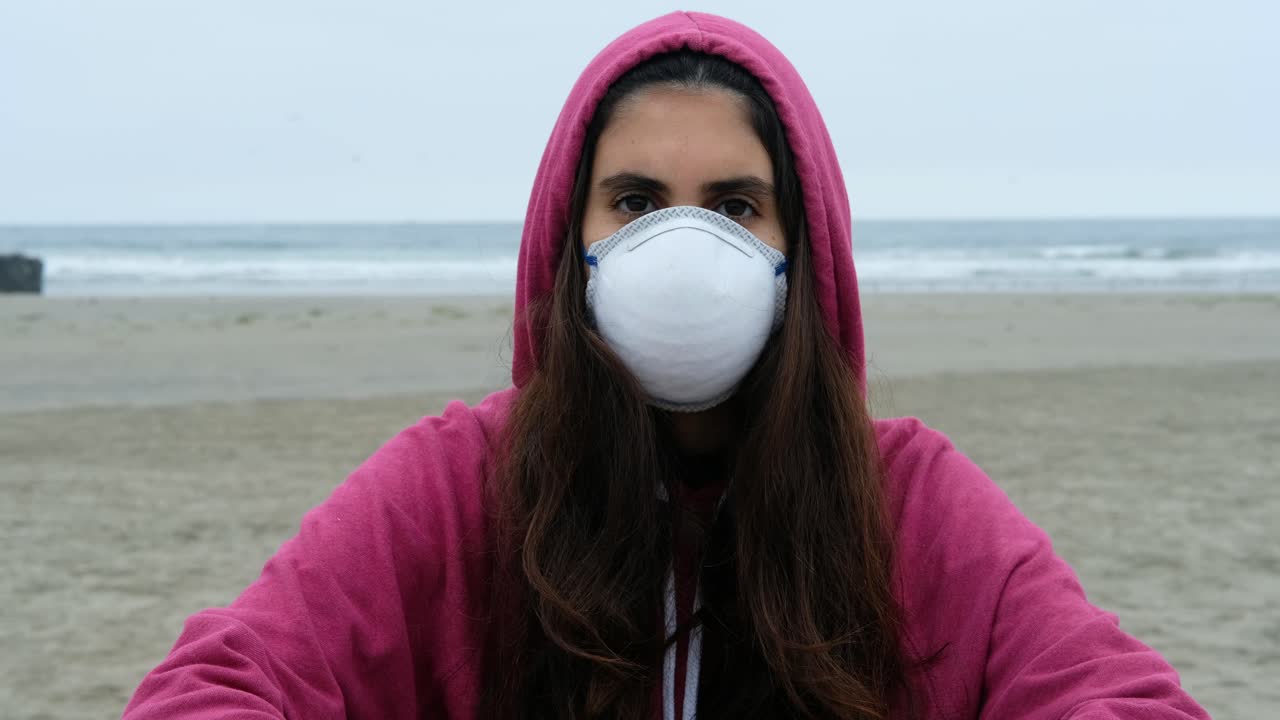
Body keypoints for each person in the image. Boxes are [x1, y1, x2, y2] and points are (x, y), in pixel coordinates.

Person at [122, 12, 1209, 720]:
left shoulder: (905, 500)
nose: (684, 249)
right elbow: (219, 682)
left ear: (802, 250)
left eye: (735, 206)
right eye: (636, 202)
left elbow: (1114, 694)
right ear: (571, 239)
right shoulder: (460, 484)